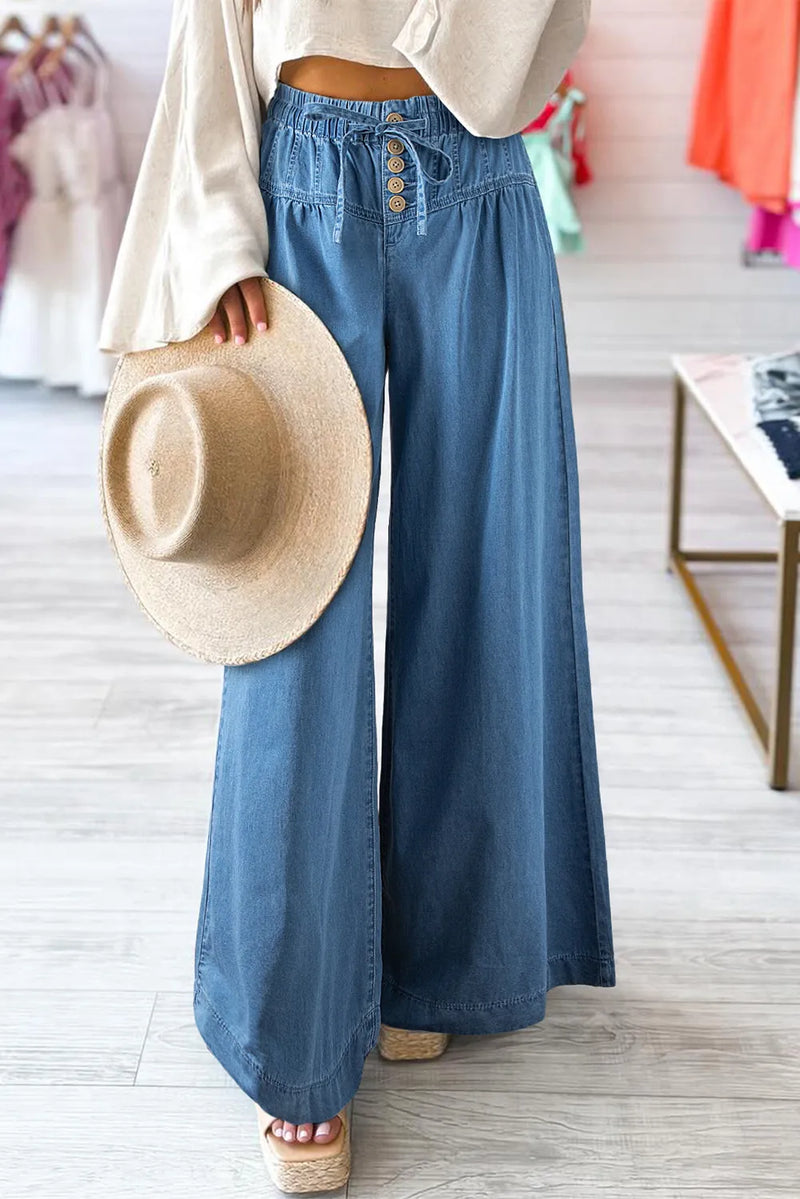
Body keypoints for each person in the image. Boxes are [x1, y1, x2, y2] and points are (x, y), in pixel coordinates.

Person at [99, 0, 615, 1185]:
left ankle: (441, 961)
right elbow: (214, 26)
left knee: (487, 585)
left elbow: (535, 42)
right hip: (302, 183)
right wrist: (223, 230)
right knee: (291, 612)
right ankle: (295, 1036)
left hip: (476, 181)